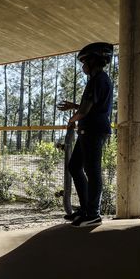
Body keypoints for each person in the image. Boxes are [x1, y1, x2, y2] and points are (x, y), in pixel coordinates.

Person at [57, 42, 113, 227]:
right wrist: (75, 107)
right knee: (75, 167)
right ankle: (85, 209)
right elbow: (90, 106)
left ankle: (93, 214)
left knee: (92, 171)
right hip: (88, 130)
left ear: (93, 61)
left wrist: (72, 119)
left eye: (84, 61)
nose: (82, 66)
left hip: (93, 131)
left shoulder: (99, 80)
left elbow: (86, 110)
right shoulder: (96, 80)